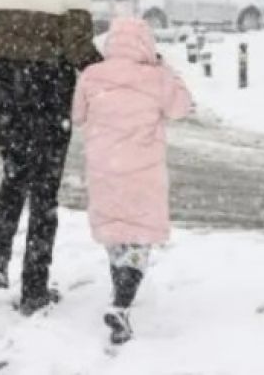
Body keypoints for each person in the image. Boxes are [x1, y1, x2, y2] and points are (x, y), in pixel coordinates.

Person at [0, 0, 102, 316]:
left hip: (4, 94)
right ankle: (34, 288)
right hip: (49, 97)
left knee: (14, 172)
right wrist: (116, 73)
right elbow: (81, 52)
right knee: (45, 191)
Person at [72, 17, 192, 345]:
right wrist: (167, 69)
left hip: (104, 169)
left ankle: (118, 290)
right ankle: (121, 303)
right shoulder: (156, 77)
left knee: (115, 232)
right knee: (139, 236)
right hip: (143, 171)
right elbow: (182, 107)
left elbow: (77, 115)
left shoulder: (92, 75)